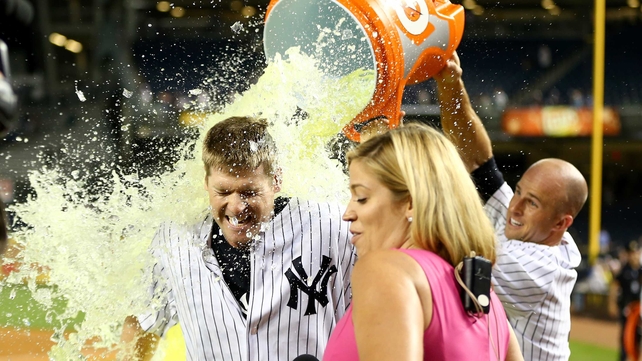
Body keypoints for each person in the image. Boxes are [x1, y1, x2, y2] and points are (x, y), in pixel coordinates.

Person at [123, 116, 355, 360]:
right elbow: (142, 321)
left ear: (276, 180)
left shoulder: (331, 226)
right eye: (223, 191)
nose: (236, 207)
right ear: (206, 182)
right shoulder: (175, 239)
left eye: (249, 192)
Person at [324, 123, 523, 361]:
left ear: (411, 203)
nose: (347, 213)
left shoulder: (386, 270)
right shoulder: (488, 302)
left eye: (362, 198)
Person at [435, 52, 588, 361]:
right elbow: (479, 163)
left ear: (561, 224)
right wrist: (451, 85)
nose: (514, 207)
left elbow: (455, 264)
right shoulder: (530, 228)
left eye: (531, 202)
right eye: (519, 192)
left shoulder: (540, 267)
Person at [609, 241, 642, 361]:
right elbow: (614, 286)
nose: (634, 255)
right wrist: (612, 304)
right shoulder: (624, 271)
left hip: (639, 311)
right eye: (632, 253)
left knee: (637, 338)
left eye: (636, 252)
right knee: (625, 337)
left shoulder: (640, 270)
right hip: (626, 310)